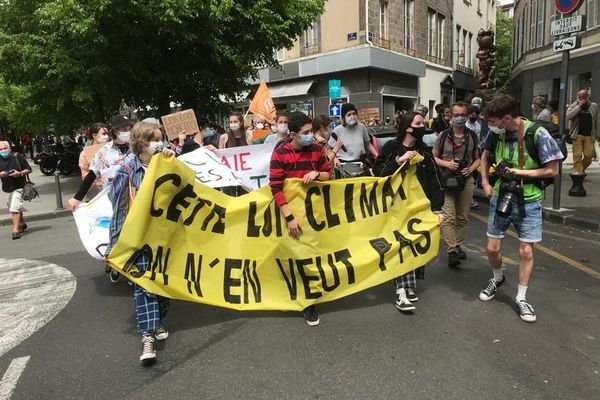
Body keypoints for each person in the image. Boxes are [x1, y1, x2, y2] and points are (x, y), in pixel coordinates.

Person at [479, 94, 563, 323]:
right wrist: (486, 183)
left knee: (526, 251)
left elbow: (552, 170)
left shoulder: (537, 133)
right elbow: (485, 156)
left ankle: (521, 297)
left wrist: (521, 173)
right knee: (492, 247)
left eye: (493, 122)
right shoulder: (496, 135)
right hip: (501, 194)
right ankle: (498, 278)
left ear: (507, 119)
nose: (491, 126)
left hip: (529, 198)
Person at [104, 122, 175, 364]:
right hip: (139, 241)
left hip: (165, 238)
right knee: (143, 286)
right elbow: (119, 212)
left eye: (161, 137)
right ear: (141, 142)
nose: (160, 142)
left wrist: (173, 160)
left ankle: (157, 323)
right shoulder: (126, 171)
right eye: (154, 139)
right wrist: (113, 247)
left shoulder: (166, 162)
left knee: (163, 285)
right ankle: (147, 336)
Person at [372, 112, 443, 313]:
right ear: (408, 128)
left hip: (419, 208)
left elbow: (434, 180)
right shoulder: (391, 148)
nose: (423, 125)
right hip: (394, 208)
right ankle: (401, 291)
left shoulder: (424, 152)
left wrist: (438, 209)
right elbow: (378, 173)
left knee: (416, 244)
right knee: (401, 246)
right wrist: (398, 160)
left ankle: (409, 284)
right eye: (419, 123)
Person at [269, 111, 332, 326]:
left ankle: (309, 301)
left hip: (314, 214)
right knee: (296, 256)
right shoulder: (280, 153)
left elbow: (328, 173)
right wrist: (289, 217)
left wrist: (317, 174)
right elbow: (275, 187)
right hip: (291, 214)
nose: (310, 136)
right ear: (293, 134)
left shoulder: (316, 149)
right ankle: (304, 301)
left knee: (309, 255)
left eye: (311, 131)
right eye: (305, 133)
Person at [68, 114, 135, 282]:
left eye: (129, 129)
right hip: (112, 199)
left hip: (136, 197)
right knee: (115, 231)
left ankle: (132, 265)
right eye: (123, 129)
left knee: (134, 233)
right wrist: (77, 198)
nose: (127, 132)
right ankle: (114, 263)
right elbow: (92, 174)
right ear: (114, 132)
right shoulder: (103, 152)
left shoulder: (138, 149)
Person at [433, 102, 481, 268]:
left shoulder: (472, 136)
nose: (459, 118)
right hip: (447, 180)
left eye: (462, 115)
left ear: (467, 116)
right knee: (448, 216)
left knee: (462, 216)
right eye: (455, 115)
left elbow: (478, 159)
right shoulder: (443, 136)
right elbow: (434, 157)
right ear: (450, 117)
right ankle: (452, 249)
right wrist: (447, 164)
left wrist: (470, 169)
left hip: (465, 180)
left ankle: (458, 244)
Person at [0, 141, 32, 240]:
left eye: (4, 148)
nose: (2, 151)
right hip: (7, 188)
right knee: (13, 206)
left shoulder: (17, 157)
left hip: (19, 186)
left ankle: (16, 230)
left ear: (9, 148)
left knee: (14, 207)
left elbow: (29, 169)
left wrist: (20, 173)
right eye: (0, 149)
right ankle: (22, 223)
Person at [566, 89, 599, 174]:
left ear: (587, 97)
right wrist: (578, 106)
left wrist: (598, 133)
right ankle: (578, 174)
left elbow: (597, 121)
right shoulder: (574, 105)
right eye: (579, 97)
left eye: (582, 97)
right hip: (577, 135)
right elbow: (569, 116)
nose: (580, 99)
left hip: (589, 135)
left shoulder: (594, 106)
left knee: (589, 156)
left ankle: (581, 169)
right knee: (577, 155)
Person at [78, 123, 110, 200]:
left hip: (111, 190)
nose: (107, 136)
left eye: (108, 133)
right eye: (104, 134)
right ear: (95, 135)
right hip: (94, 192)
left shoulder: (113, 150)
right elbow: (84, 175)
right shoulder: (85, 153)